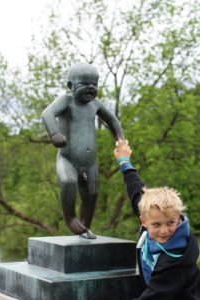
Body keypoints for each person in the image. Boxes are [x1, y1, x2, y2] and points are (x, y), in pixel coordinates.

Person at [42, 62, 123, 238]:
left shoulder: (95, 104)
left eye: (94, 84)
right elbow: (47, 114)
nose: (90, 88)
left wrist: (120, 139)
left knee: (92, 193)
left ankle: (84, 226)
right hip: (67, 159)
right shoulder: (66, 101)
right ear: (71, 85)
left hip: (90, 162)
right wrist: (54, 133)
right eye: (85, 83)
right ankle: (70, 218)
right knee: (68, 182)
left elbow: (113, 121)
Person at [114, 139, 200, 300]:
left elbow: (155, 295)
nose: (164, 230)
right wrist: (124, 162)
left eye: (170, 223)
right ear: (143, 221)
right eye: (156, 224)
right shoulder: (149, 213)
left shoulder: (175, 258)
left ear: (178, 219)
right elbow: (136, 191)